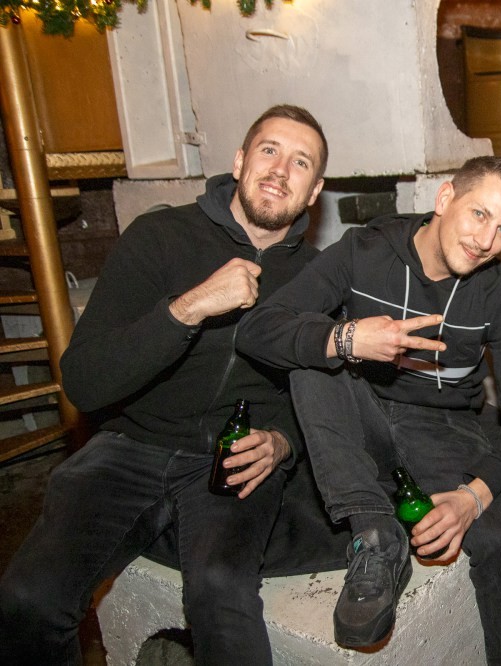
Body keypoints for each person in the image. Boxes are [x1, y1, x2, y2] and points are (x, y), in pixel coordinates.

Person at [0, 105, 329, 665]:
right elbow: (84, 381)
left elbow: (330, 392)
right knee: (27, 600)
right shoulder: (159, 236)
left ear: (314, 190)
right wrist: (189, 307)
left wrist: (283, 442)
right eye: (269, 150)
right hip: (129, 445)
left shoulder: (318, 276)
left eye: (301, 162)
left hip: (233, 459)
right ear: (240, 161)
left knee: (222, 596)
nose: (280, 170)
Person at [236, 156, 501, 663]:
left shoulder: (497, 293)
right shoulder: (364, 250)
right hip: (360, 415)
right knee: (317, 355)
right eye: (479, 214)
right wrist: (347, 338)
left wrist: (473, 497)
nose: (486, 240)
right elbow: (257, 330)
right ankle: (375, 535)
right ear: (445, 199)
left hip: (446, 427)